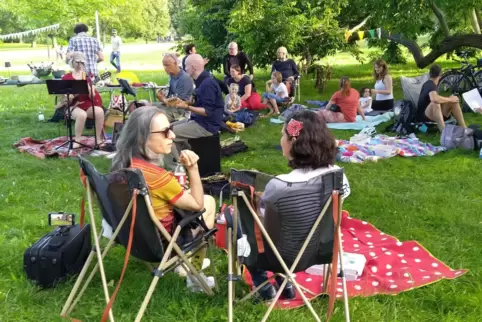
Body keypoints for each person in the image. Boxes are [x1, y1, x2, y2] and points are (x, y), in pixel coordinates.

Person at [247, 110, 351, 300]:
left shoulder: (280, 185)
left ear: (293, 142)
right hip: (321, 249)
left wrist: (256, 202)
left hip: (282, 257)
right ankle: (283, 283)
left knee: (239, 222)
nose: (281, 140)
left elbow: (268, 225)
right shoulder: (338, 177)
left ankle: (263, 286)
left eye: (282, 135)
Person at [111, 106, 216, 292]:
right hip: (161, 245)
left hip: (130, 238)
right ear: (143, 138)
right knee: (208, 202)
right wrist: (193, 169)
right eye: (166, 132)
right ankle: (193, 275)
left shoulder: (122, 167)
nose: (173, 136)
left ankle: (186, 267)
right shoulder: (158, 177)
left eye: (172, 129)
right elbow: (197, 205)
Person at [164, 54, 224, 170]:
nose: (184, 68)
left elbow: (207, 112)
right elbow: (198, 102)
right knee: (168, 128)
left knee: (167, 135)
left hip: (207, 126)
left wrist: (187, 107)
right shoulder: (201, 80)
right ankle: (187, 158)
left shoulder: (207, 84)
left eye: (186, 65)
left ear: (194, 67)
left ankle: (177, 169)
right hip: (198, 120)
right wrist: (185, 102)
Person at [59, 51, 105, 148]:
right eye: (77, 62)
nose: (80, 65)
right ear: (72, 62)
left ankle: (98, 139)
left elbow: (92, 97)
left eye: (82, 63)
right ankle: (77, 140)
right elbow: (63, 99)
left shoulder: (88, 77)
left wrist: (90, 90)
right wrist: (69, 97)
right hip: (73, 106)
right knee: (81, 115)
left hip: (87, 105)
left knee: (100, 111)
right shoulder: (66, 77)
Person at [416, 64, 467, 131]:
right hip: (424, 118)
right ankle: (444, 132)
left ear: (430, 74)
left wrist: (451, 99)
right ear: (440, 75)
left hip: (435, 115)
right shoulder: (429, 84)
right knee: (435, 102)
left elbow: (437, 98)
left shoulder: (432, 85)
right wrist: (449, 99)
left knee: (454, 101)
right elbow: (434, 99)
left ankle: (464, 129)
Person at [154, 53, 195, 122]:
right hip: (169, 106)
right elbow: (170, 94)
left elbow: (177, 102)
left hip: (180, 111)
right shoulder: (172, 75)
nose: (165, 68)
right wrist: (162, 94)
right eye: (164, 65)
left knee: (153, 117)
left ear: (176, 63)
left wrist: (163, 99)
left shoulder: (184, 79)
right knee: (144, 106)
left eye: (167, 65)